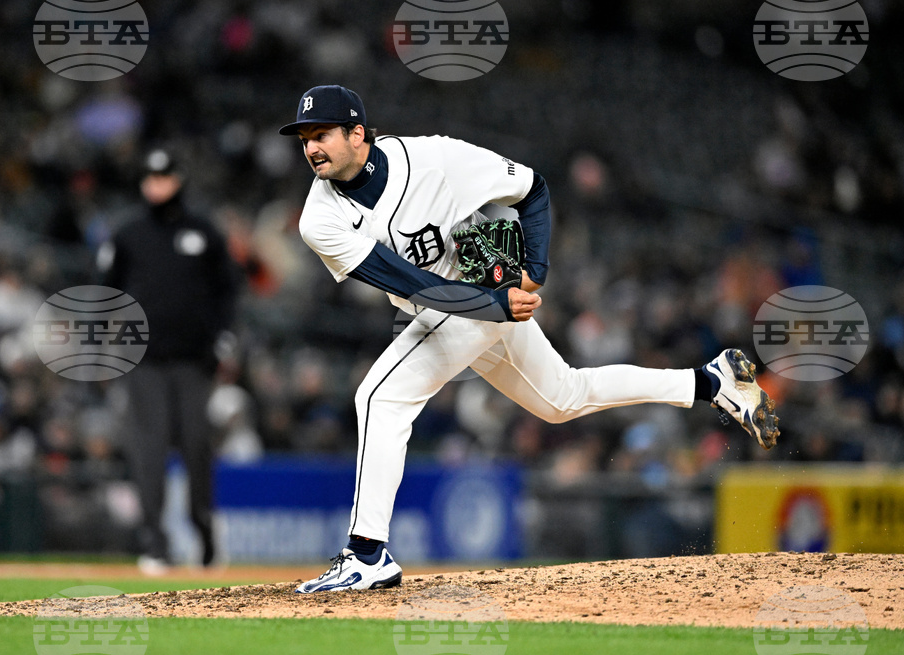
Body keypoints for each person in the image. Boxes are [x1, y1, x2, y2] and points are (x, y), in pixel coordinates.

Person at [280, 85, 779, 593]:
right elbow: (404, 280)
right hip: (456, 301)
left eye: (321, 134)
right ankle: (710, 382)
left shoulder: (435, 158)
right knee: (563, 398)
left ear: (357, 132)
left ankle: (367, 555)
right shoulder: (319, 218)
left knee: (380, 396)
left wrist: (533, 274)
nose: (311, 148)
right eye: (304, 139)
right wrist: (493, 306)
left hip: (483, 293)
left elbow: (533, 189)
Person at [98, 149, 239, 574]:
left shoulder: (205, 232)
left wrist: (224, 339)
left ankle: (205, 534)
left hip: (194, 361)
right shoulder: (128, 235)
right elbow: (106, 293)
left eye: (163, 176)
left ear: (178, 178)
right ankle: (156, 543)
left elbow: (228, 290)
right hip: (144, 361)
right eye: (149, 177)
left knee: (197, 446)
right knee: (150, 450)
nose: (156, 184)